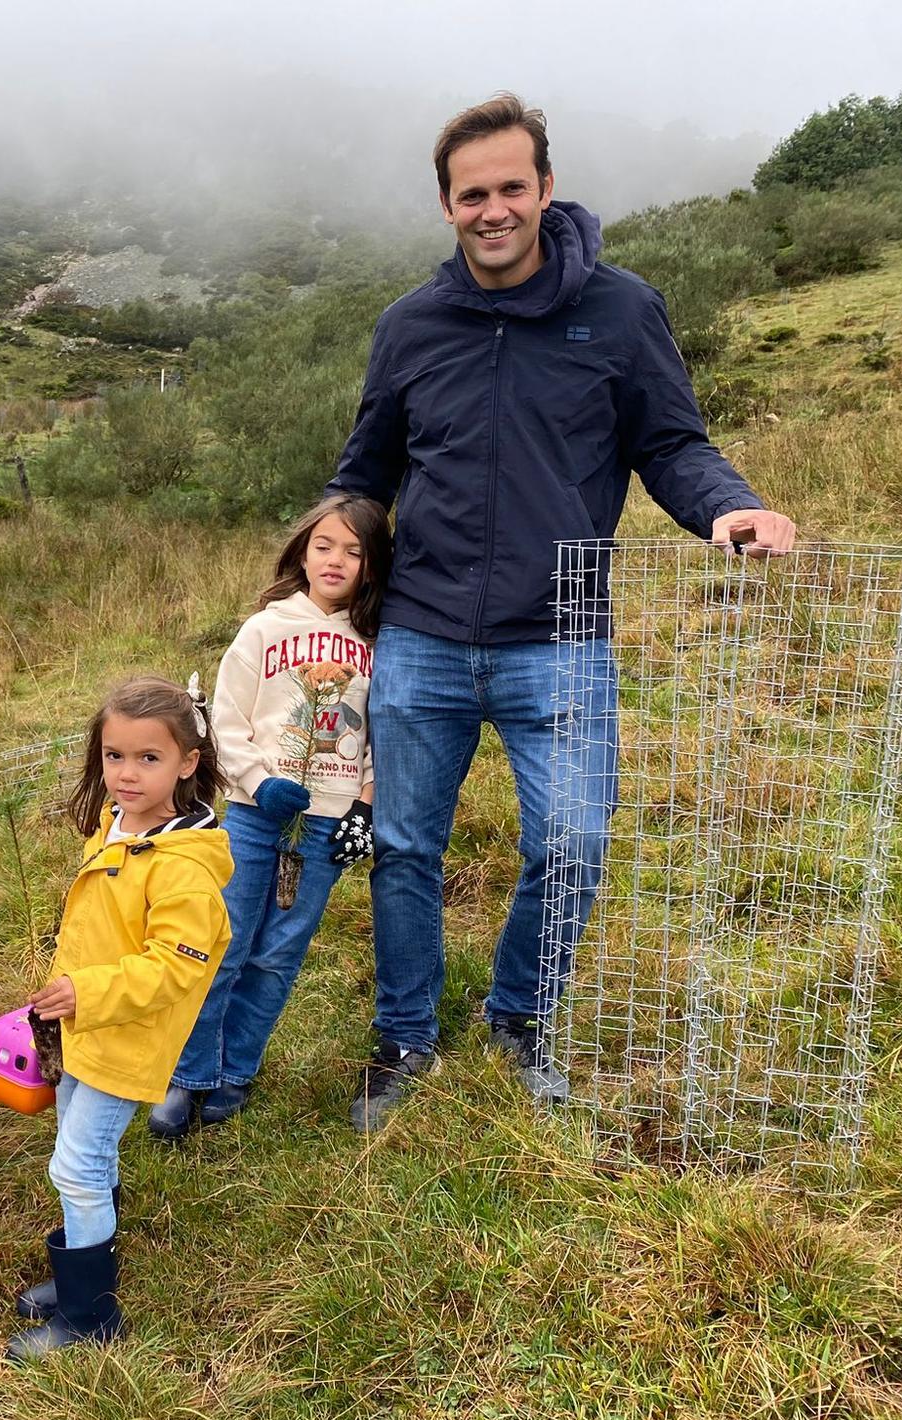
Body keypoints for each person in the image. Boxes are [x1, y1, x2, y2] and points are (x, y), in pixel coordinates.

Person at [333, 93, 797, 1127]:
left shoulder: (621, 311)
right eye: (470, 195)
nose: (492, 210)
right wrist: (316, 570)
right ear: (445, 207)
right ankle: (403, 1037)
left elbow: (670, 444)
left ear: (544, 188)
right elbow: (362, 470)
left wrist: (730, 510)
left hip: (562, 637)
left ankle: (518, 1017)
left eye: (510, 188)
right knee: (406, 849)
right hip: (421, 635)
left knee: (573, 844)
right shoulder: (408, 327)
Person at [150, 493, 390, 1140]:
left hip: (324, 824)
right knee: (220, 943)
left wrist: (361, 810)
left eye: (354, 550)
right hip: (256, 816)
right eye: (324, 546)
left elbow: (380, 736)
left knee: (278, 954)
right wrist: (259, 781)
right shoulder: (264, 629)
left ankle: (237, 1070)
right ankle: (189, 1073)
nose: (337, 560)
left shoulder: (376, 643)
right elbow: (223, 721)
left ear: (372, 565)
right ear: (303, 551)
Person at [7, 677, 233, 1361]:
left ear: (188, 762)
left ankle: (90, 1316)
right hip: (84, 1026)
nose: (126, 775)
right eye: (114, 757)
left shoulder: (184, 867)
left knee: (77, 1165)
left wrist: (88, 992)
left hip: (127, 1038)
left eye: (148, 759)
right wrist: (63, 998)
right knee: (84, 1159)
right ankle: (85, 1262)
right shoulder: (118, 826)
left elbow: (176, 965)